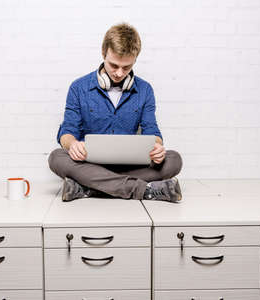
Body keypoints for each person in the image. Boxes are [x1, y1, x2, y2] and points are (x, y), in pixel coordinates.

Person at [48, 23, 183, 202]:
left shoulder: (145, 90)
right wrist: (73, 144)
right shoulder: (78, 87)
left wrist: (156, 147)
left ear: (135, 60)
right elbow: (67, 131)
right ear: (104, 53)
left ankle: (89, 188)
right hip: (89, 165)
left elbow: (152, 131)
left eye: (126, 67)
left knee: (173, 159)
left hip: (129, 167)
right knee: (56, 157)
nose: (119, 73)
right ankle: (144, 190)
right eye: (114, 65)